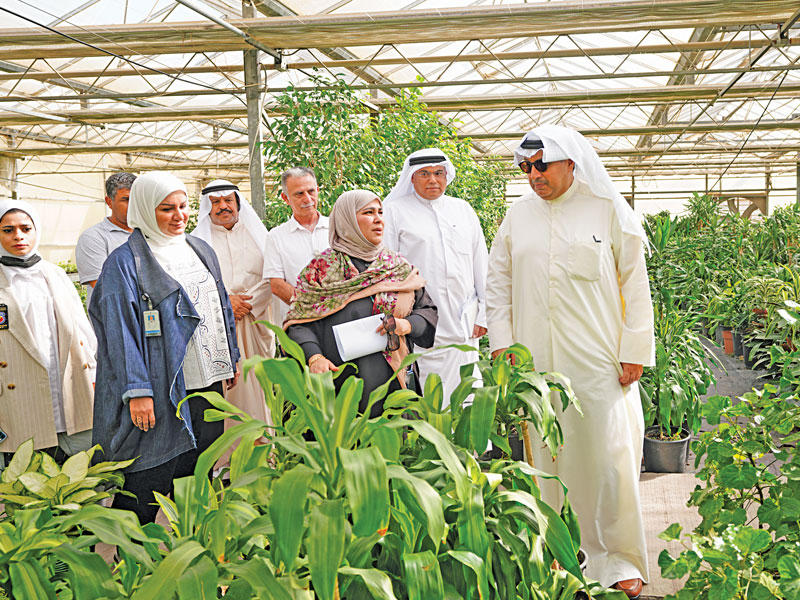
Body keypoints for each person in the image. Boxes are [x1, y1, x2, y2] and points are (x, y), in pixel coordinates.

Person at [486, 126, 654, 599]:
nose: (533, 175)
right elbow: (498, 283)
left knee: (608, 456)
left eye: (542, 165)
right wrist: (502, 344)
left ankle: (619, 558)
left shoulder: (607, 209)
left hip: (600, 360)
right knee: (546, 456)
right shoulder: (517, 216)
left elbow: (635, 284)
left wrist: (635, 350)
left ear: (570, 163)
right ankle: (559, 555)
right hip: (535, 361)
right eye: (525, 167)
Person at [90, 172, 240, 524]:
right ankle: (133, 562)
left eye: (184, 206)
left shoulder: (200, 249)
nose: (179, 216)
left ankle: (191, 555)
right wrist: (138, 391)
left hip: (207, 382)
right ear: (144, 210)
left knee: (198, 471)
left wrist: (228, 358)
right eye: (166, 209)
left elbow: (220, 305)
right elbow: (119, 334)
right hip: (162, 387)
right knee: (150, 476)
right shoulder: (124, 264)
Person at [285, 190, 437, 414]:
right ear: (347, 220)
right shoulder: (320, 270)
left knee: (394, 442)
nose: (378, 219)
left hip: (394, 381)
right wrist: (314, 357)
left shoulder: (397, 267)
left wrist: (406, 325)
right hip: (340, 385)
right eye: (368, 212)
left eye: (380, 213)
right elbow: (298, 323)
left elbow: (427, 310)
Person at [384, 149, 488, 404]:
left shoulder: (462, 210)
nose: (433, 180)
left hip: (465, 322)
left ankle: (471, 445)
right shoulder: (394, 211)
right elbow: (387, 269)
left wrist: (485, 314)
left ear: (447, 175)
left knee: (469, 395)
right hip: (423, 325)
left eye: (439, 173)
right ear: (411, 177)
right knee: (433, 399)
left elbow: (481, 264)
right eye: (425, 174)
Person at [0, 200, 96, 460]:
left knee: (78, 476)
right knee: (27, 481)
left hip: (67, 383)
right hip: (18, 393)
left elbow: (81, 329)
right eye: (8, 230)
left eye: (25, 228)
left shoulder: (54, 274)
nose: (18, 236)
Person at [191, 179, 275, 428]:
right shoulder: (196, 242)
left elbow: (272, 275)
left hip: (257, 321)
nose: (222, 206)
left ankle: (266, 450)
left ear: (238, 203)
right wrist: (226, 304)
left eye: (228, 200)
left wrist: (246, 304)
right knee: (230, 390)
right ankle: (228, 456)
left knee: (262, 384)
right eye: (215, 202)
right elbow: (195, 283)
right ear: (207, 207)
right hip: (218, 326)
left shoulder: (260, 236)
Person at [263, 168, 330, 327]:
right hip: (299, 323)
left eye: (311, 191)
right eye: (299, 194)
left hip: (338, 319)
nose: (308, 198)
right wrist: (312, 308)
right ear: (285, 198)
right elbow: (277, 285)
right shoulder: (276, 237)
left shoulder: (336, 227)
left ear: (318, 191)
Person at [76, 172, 136, 306]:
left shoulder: (148, 234)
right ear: (109, 202)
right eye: (126, 199)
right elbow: (104, 287)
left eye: (136, 199)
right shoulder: (94, 238)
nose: (133, 205)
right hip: (113, 320)